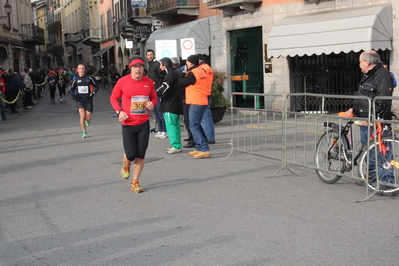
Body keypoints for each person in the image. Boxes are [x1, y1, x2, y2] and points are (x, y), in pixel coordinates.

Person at [110, 56, 157, 193]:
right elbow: (113, 98)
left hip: (143, 122)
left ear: (143, 68)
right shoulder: (122, 81)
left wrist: (152, 104)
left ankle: (135, 182)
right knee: (131, 154)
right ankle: (126, 163)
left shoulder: (148, 82)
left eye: (140, 66)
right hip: (128, 123)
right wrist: (119, 112)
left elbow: (154, 97)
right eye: (135, 66)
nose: (138, 69)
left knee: (141, 155)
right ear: (130, 68)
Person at [346, 50, 394, 146]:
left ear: (367, 62)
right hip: (366, 121)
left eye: (360, 62)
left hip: (373, 123)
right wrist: (354, 109)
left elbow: (383, 100)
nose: (359, 65)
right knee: (367, 152)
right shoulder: (369, 75)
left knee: (376, 156)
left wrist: (370, 116)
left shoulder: (381, 75)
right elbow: (365, 95)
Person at [178, 54, 211, 159]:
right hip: (202, 100)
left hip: (195, 102)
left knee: (193, 126)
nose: (186, 63)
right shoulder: (202, 71)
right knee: (196, 125)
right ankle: (198, 147)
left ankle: (204, 149)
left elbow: (181, 84)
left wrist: (182, 74)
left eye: (187, 61)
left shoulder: (192, 73)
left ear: (191, 62)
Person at [157, 57, 184, 154]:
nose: (160, 67)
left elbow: (165, 86)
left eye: (160, 65)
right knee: (175, 125)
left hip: (169, 103)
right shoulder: (176, 72)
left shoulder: (169, 75)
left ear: (165, 65)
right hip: (176, 102)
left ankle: (175, 145)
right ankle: (177, 144)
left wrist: (155, 93)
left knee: (171, 125)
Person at [70, 64, 99, 138]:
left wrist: (93, 93)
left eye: (83, 68)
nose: (81, 70)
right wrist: (73, 94)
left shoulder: (89, 78)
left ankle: (88, 121)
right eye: (80, 68)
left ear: (85, 70)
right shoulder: (75, 80)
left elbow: (97, 86)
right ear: (77, 70)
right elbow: (71, 89)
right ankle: (84, 131)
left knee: (88, 118)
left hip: (88, 99)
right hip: (79, 100)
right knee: (82, 116)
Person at [146, 49, 167, 138]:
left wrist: (159, 88)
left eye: (151, 54)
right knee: (156, 112)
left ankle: (164, 130)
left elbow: (161, 76)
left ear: (154, 55)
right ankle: (160, 129)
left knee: (160, 111)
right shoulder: (150, 65)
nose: (150, 56)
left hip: (157, 91)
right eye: (148, 55)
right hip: (152, 92)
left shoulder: (156, 64)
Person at [198, 54, 216, 144]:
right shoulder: (208, 67)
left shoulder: (202, 69)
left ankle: (209, 138)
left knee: (205, 118)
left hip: (203, 94)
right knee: (206, 117)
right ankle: (209, 137)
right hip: (207, 93)